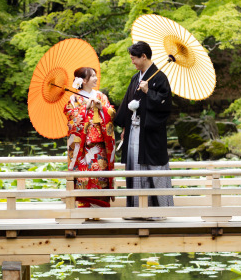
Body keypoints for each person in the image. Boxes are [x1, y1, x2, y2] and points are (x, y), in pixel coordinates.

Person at [113, 41, 174, 212]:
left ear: (144, 57)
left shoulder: (160, 77)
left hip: (150, 132)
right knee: (134, 166)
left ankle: (158, 212)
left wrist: (149, 92)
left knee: (153, 167)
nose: (132, 62)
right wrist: (125, 128)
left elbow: (166, 105)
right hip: (134, 130)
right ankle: (136, 210)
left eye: (134, 59)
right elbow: (127, 103)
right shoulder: (136, 78)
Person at [63, 67, 116, 208]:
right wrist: (84, 108)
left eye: (95, 75)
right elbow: (70, 117)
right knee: (84, 176)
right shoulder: (74, 98)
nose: (95, 78)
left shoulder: (101, 96)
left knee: (101, 175)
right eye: (92, 76)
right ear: (84, 80)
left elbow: (111, 113)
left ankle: (100, 209)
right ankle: (84, 207)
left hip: (101, 145)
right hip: (83, 147)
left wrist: (102, 108)